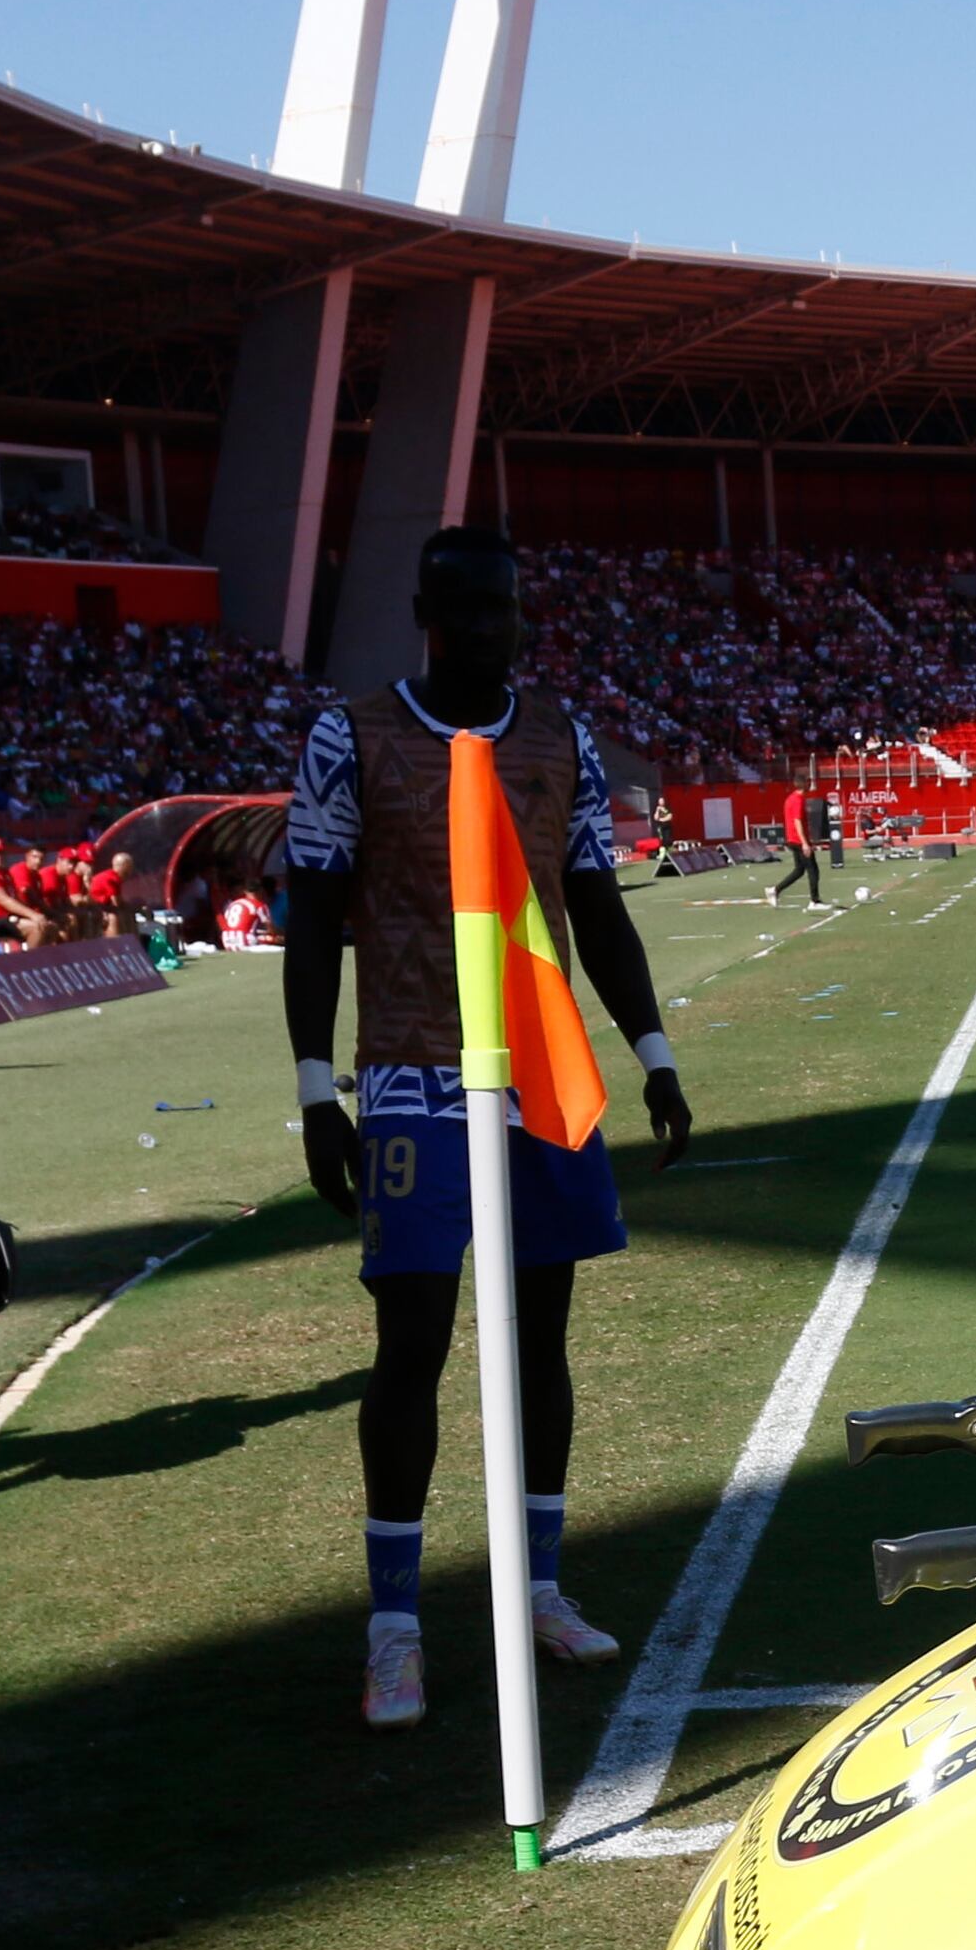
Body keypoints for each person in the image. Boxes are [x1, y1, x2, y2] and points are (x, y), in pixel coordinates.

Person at [284, 524, 697, 1731]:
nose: (494, 632)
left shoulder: (555, 736)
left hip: (536, 1078)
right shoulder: (348, 736)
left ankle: (540, 1588)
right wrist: (316, 1083)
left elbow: (593, 901)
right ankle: (396, 1626)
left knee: (540, 1341)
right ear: (426, 612)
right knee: (411, 1344)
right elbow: (313, 913)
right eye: (471, 612)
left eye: (509, 611)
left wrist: (652, 1052)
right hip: (411, 1073)